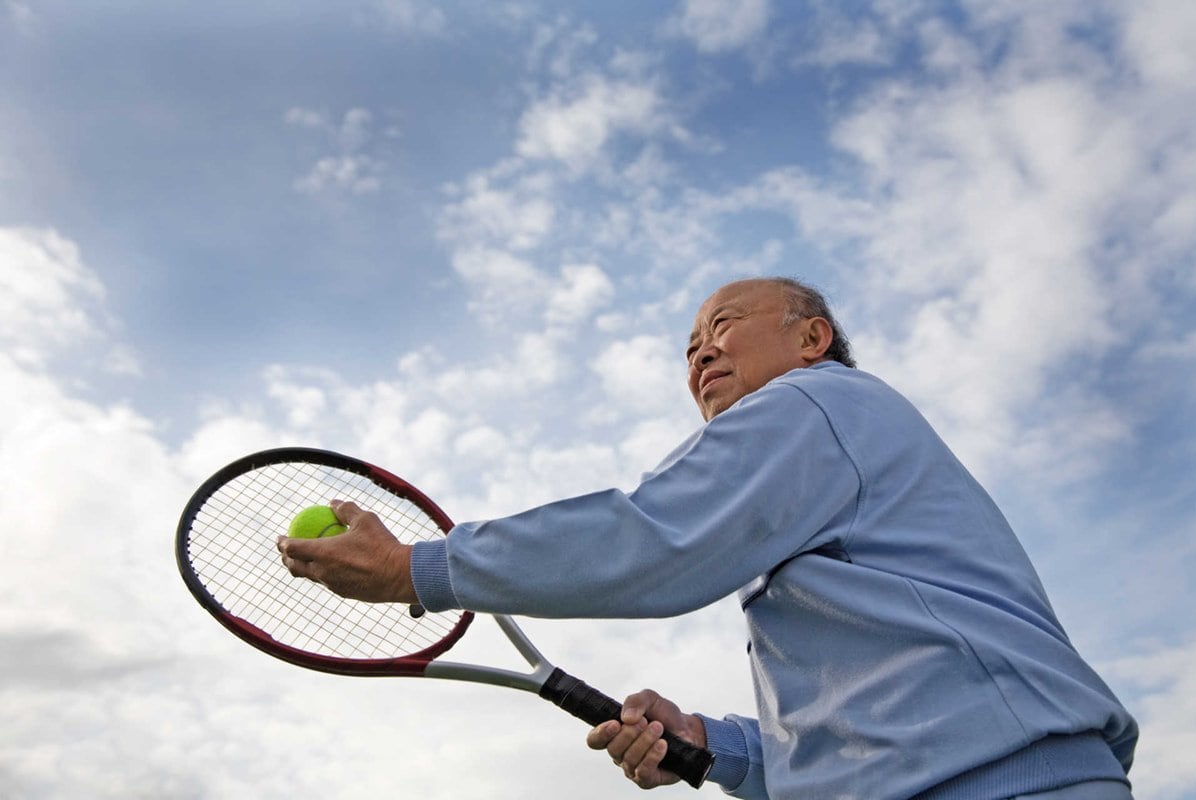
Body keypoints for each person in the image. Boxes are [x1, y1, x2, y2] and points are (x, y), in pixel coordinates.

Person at [278, 277, 1138, 799]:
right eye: (688, 348)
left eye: (723, 326)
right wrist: (713, 743)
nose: (699, 355)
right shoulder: (814, 487)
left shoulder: (819, 401)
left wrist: (416, 568)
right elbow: (860, 742)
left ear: (812, 339)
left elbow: (655, 537)